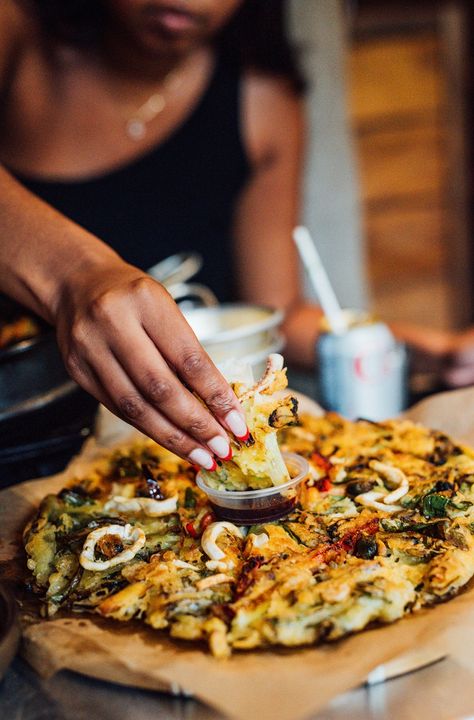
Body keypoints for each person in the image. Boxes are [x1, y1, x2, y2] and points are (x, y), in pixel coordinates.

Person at [0, 0, 322, 470]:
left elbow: (279, 311)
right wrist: (76, 275)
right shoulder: (15, 26)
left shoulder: (264, 101)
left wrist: (411, 349)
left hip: (175, 456)